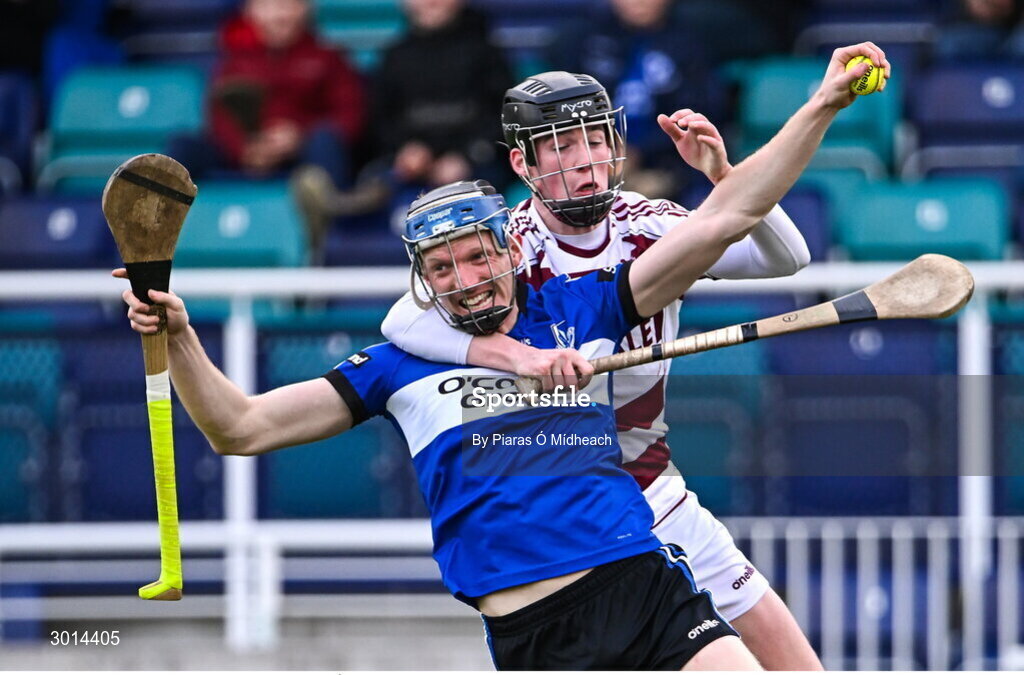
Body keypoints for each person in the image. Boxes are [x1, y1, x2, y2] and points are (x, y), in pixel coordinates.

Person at [116, 42, 887, 670]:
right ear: (523, 170)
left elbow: (746, 225)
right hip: (539, 610)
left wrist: (812, 110)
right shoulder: (450, 304)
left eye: (594, 140)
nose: (469, 275)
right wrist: (179, 333)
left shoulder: (594, 289)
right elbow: (250, 420)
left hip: (642, 517)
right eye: (444, 267)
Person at [378, 69, 850, 669]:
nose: (588, 159)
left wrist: (723, 177)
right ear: (523, 165)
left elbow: (785, 256)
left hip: (653, 485)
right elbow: (403, 321)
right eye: (564, 145)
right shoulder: (507, 246)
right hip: (573, 508)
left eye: (596, 138)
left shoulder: (648, 225)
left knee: (797, 665)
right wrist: (520, 357)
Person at [167, 0, 365, 186]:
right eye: (267, 5)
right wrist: (246, 149)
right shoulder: (236, 61)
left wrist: (299, 136)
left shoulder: (329, 57)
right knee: (183, 147)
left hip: (304, 154)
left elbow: (349, 117)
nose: (279, 16)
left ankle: (333, 217)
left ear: (306, 8)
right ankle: (153, 216)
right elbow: (220, 117)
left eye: (288, 5)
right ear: (250, 12)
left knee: (325, 143)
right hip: (245, 152)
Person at [550, 0, 722, 200]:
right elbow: (563, 109)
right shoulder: (583, 40)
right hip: (595, 156)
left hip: (671, 160)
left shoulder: (690, 42)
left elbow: (702, 112)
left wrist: (642, 152)